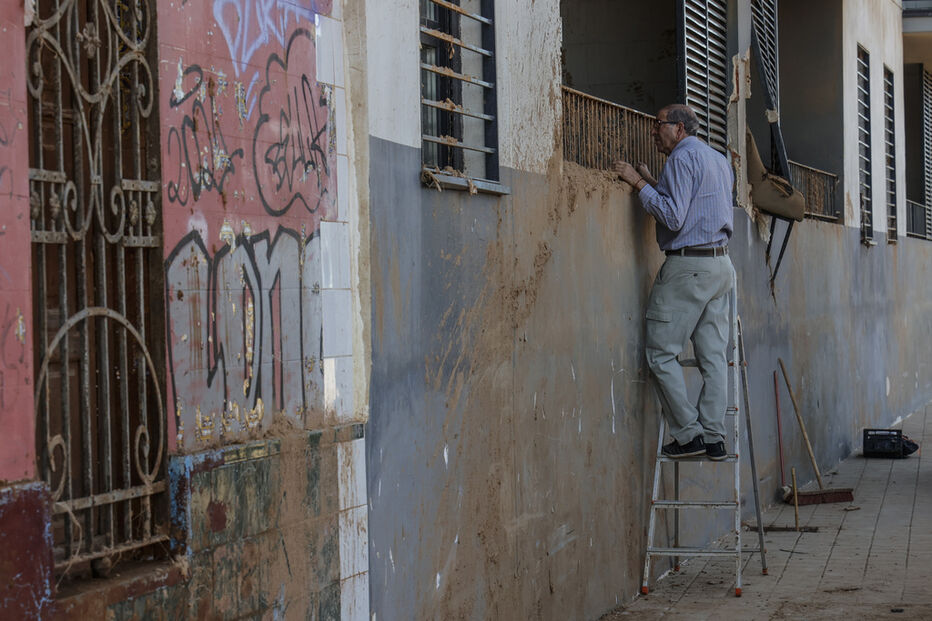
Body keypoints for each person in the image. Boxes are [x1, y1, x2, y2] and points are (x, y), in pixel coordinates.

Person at [612, 104, 735, 460]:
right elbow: (689, 206)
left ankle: (688, 435)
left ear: (679, 129)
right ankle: (714, 438)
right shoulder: (716, 159)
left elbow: (673, 216)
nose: (653, 130)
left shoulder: (681, 159)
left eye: (658, 124)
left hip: (688, 268)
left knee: (660, 354)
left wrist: (636, 183)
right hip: (720, 266)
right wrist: (652, 182)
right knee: (713, 358)